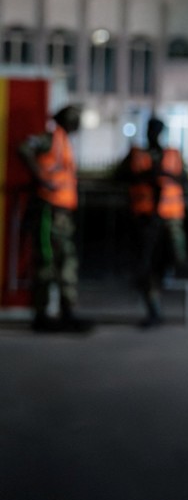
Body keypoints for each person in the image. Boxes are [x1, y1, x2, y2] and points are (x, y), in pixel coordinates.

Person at [17, 104, 93, 333]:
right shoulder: (50, 138)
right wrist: (41, 179)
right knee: (47, 263)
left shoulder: (63, 142)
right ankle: (41, 316)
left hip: (61, 213)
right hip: (48, 210)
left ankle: (66, 312)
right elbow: (24, 148)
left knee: (66, 262)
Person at [113, 116, 188, 328]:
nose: (153, 133)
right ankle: (153, 307)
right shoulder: (137, 156)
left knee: (174, 257)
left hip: (169, 220)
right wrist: (145, 176)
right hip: (144, 220)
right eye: (150, 129)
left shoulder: (172, 155)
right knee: (145, 265)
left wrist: (164, 176)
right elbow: (119, 177)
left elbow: (186, 181)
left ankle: (163, 280)